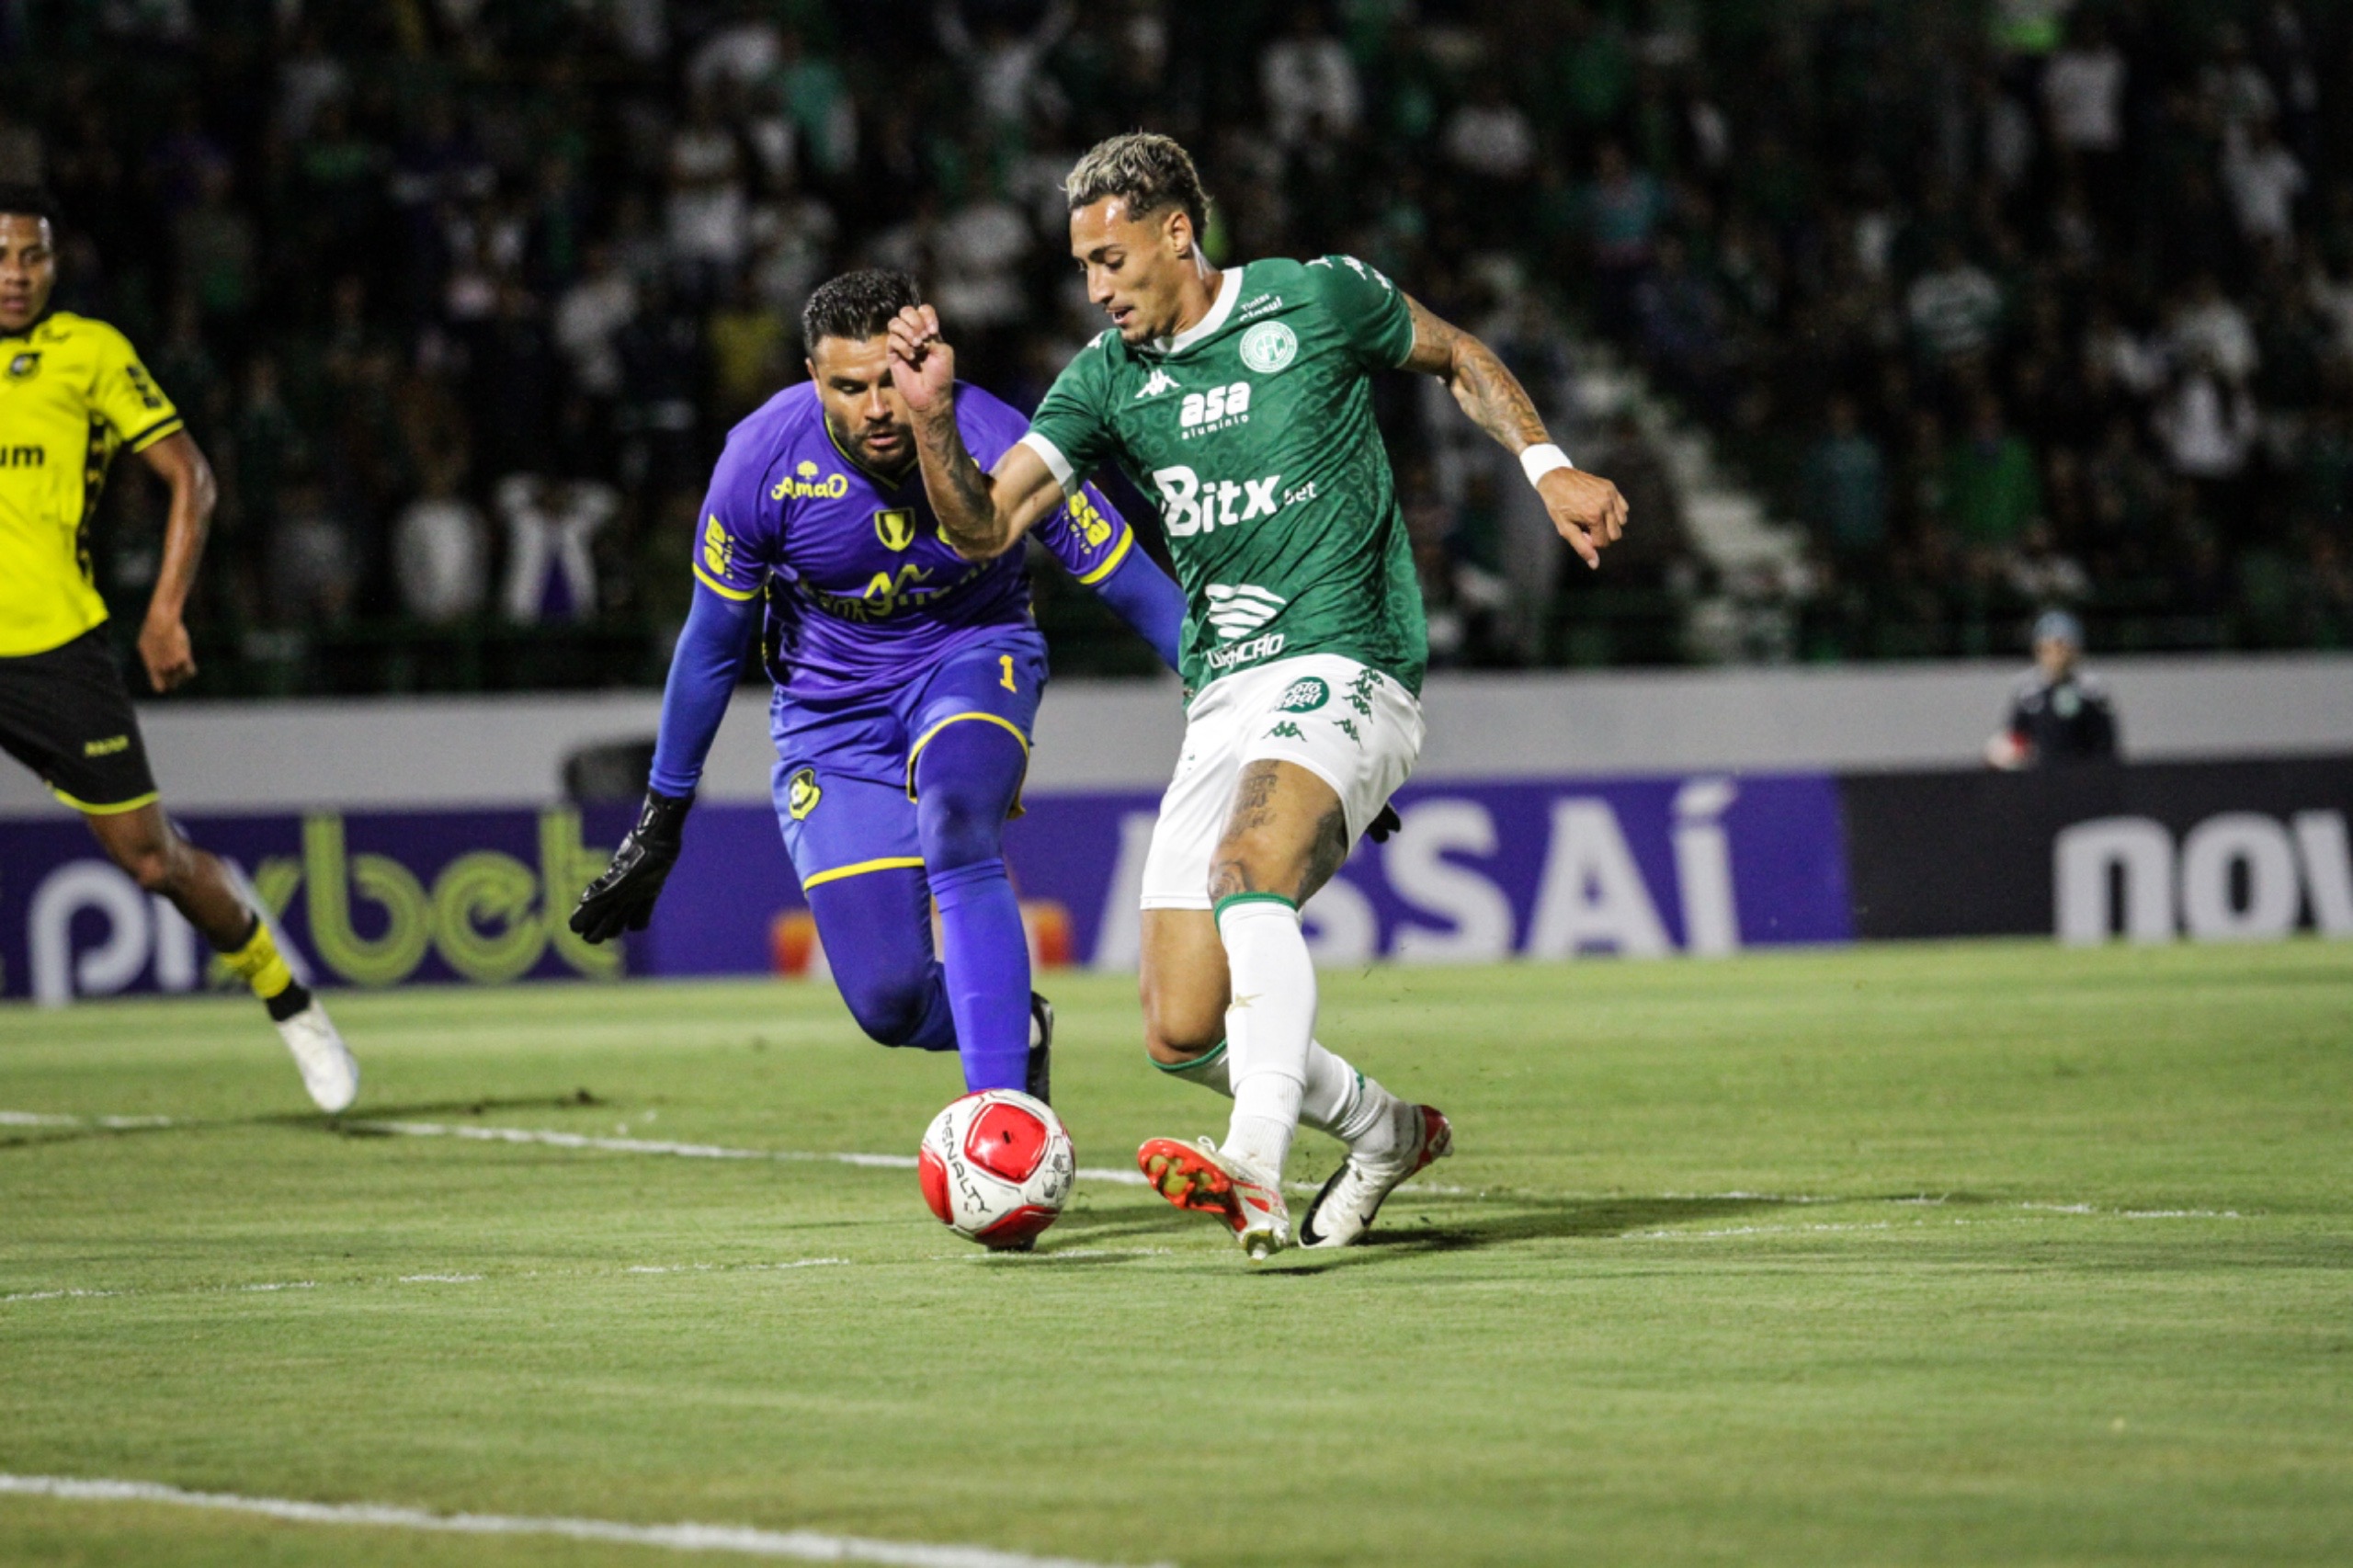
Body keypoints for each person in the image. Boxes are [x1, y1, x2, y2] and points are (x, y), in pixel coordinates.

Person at [883, 133, 1628, 1258]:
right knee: (1180, 1025)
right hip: (1223, 693)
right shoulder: (1105, 380)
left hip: (1350, 654)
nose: (1095, 286)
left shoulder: (1315, 298)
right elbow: (985, 524)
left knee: (1250, 868)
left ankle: (1254, 1161)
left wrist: (1545, 465)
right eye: (1081, 265)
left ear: (1177, 233)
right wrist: (936, 426)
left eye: (1110, 257)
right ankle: (1385, 1133)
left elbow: (1459, 355)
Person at [569, 269, 1187, 1108]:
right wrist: (660, 819)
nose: (877, 409)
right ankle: (1016, 1024)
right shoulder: (758, 462)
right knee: (888, 1000)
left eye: (890, 382)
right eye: (847, 388)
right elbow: (713, 644)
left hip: (974, 653)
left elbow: (1127, 578)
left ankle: (1003, 1123)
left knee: (956, 819)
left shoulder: (997, 434)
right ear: (812, 378)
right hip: (831, 718)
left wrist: (1255, 709)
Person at [0, 186, 356, 1110]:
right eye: (1, 256)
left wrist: (165, 612)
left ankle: (290, 998)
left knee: (153, 860)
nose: (14, 273)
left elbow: (189, 476)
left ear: (53, 263)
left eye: (30, 256)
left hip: (53, 649)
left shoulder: (89, 352)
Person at [1987, 609, 2119, 768]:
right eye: (2049, 649)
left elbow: (2105, 746)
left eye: (2063, 647)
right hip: (2041, 782)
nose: (2056, 655)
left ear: (2075, 651)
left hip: (2081, 782)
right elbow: (2016, 738)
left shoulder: (2092, 693)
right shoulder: (2028, 695)